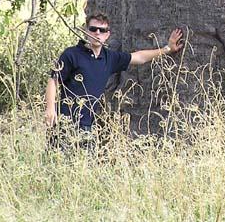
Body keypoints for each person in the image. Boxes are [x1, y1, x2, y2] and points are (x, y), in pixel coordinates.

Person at [45, 12, 184, 133]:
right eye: (93, 29)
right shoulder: (71, 54)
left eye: (102, 30)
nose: (97, 33)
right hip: (65, 123)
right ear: (85, 31)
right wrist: (50, 108)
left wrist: (168, 49)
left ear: (107, 35)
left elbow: (139, 57)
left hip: (89, 126)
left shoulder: (109, 58)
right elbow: (53, 80)